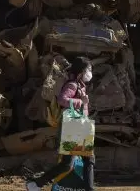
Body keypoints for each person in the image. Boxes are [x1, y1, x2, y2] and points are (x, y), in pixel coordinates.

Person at [26, 56, 95, 191]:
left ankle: (89, 189)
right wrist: (81, 102)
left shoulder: (80, 86)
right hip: (74, 127)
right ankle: (35, 184)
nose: (90, 73)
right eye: (88, 70)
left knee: (89, 160)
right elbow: (62, 100)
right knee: (67, 165)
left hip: (81, 126)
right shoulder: (72, 85)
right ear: (81, 71)